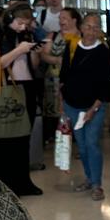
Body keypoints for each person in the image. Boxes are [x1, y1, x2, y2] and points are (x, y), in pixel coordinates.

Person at [0, 2, 45, 196]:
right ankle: (4, 185)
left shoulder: (26, 35)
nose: (22, 27)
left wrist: (35, 53)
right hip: (5, 88)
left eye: (26, 23)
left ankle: (23, 182)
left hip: (26, 87)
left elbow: (33, 67)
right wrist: (19, 50)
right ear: (10, 18)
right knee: (6, 139)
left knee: (23, 137)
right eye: (19, 22)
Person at [59, 13, 110, 201]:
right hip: (72, 106)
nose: (92, 31)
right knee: (81, 147)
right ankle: (89, 179)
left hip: (94, 106)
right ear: (81, 27)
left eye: (96, 27)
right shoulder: (72, 47)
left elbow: (107, 84)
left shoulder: (104, 52)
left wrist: (93, 109)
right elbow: (63, 78)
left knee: (92, 143)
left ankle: (97, 185)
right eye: (88, 26)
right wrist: (62, 106)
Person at [41, 8, 82, 137]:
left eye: (64, 18)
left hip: (75, 80)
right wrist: (57, 59)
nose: (61, 21)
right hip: (53, 80)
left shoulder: (82, 36)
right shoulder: (52, 35)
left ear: (74, 20)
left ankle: (76, 135)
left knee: (75, 107)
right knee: (54, 109)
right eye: (60, 18)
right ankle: (56, 134)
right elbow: (44, 55)